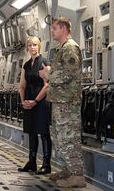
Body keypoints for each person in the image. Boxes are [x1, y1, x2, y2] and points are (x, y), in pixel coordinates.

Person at [39, 17, 86, 188]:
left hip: (67, 103)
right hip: (60, 101)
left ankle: (78, 176)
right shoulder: (62, 48)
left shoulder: (70, 48)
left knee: (69, 138)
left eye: (54, 28)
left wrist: (48, 75)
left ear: (64, 29)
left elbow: (69, 74)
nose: (52, 32)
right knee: (60, 137)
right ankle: (68, 170)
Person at [17, 36, 52, 175]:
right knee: (31, 132)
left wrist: (35, 101)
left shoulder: (44, 62)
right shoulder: (26, 65)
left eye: (35, 45)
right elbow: (22, 85)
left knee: (43, 132)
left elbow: (47, 84)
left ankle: (46, 164)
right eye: (30, 45)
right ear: (27, 47)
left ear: (39, 46)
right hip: (28, 102)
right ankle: (32, 162)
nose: (32, 47)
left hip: (41, 102)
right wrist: (23, 101)